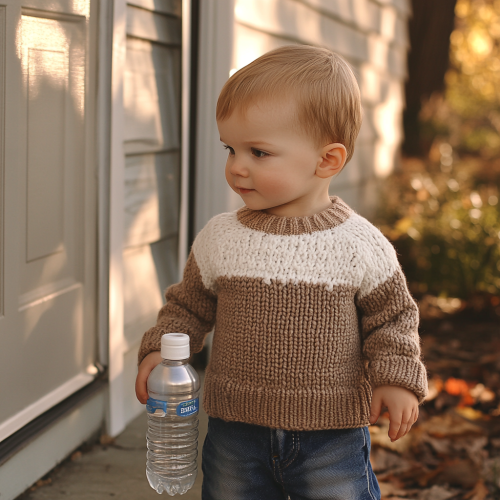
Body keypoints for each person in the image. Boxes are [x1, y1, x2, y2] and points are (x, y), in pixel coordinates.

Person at [135, 45, 428, 500]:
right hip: (235, 431)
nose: (237, 167)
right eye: (230, 148)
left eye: (259, 152)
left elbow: (392, 319)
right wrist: (164, 350)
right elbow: (187, 306)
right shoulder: (220, 238)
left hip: (330, 434)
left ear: (327, 160)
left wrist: (395, 377)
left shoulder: (359, 245)